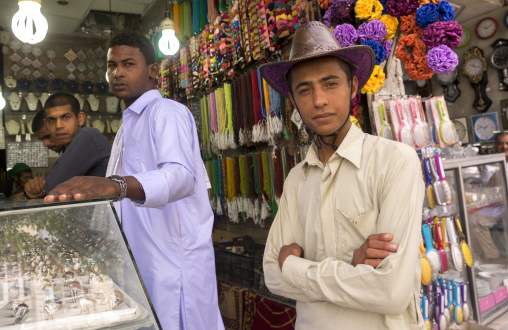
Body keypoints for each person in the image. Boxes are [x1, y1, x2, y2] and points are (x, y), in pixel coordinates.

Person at [44, 31, 224, 330]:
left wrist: (118, 185)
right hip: (142, 264)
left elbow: (182, 177)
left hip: (173, 267)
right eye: (112, 65)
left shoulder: (167, 112)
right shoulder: (127, 127)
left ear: (153, 71)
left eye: (128, 64)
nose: (117, 73)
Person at [260, 22, 425, 329]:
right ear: (293, 100)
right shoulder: (297, 179)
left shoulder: (394, 161)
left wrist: (294, 267)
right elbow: (272, 275)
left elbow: (391, 292)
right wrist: (352, 267)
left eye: (330, 83)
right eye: (304, 89)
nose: (318, 100)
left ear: (352, 87)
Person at [24, 94, 111, 198]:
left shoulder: (88, 135)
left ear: (80, 118)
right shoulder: (66, 147)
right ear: (46, 123)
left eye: (65, 117)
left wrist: (42, 184)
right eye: (52, 120)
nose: (58, 126)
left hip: (100, 212)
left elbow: (52, 186)